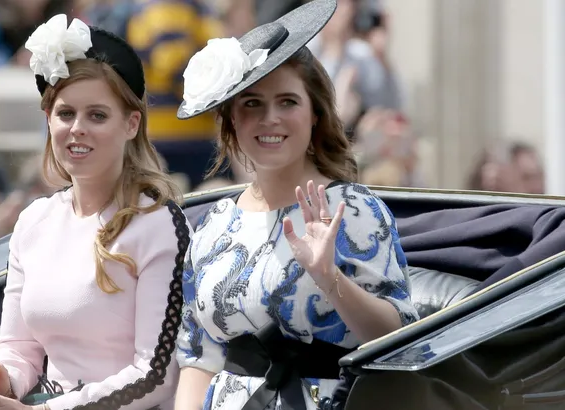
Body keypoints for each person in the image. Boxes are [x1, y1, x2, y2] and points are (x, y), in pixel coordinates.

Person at [173, 0, 419, 409]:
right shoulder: (214, 223)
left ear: (316, 115)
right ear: (232, 119)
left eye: (287, 102)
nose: (270, 118)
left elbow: (400, 339)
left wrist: (328, 277)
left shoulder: (354, 210)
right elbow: (199, 356)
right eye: (252, 103)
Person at [0, 14, 190, 410]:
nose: (77, 129)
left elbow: (156, 376)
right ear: (49, 120)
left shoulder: (158, 222)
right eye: (66, 113)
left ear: (131, 124)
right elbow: (19, 347)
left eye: (98, 115)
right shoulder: (34, 220)